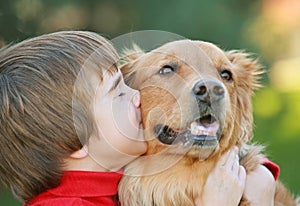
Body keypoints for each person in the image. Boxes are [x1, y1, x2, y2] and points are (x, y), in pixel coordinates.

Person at [0, 31, 277, 206]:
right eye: (118, 93)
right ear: (74, 140)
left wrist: (259, 174)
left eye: (225, 76)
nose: (136, 97)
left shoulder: (113, 180)